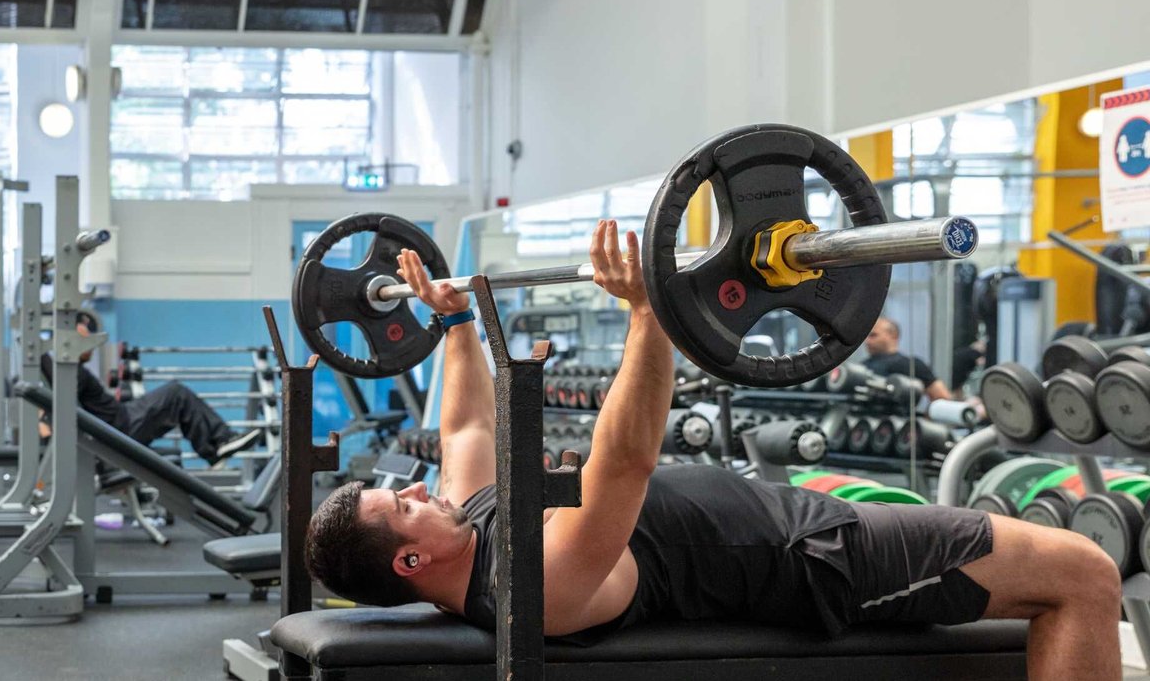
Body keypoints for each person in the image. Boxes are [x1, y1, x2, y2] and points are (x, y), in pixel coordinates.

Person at [305, 219, 1121, 679]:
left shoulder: (472, 526)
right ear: (410, 563)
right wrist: (647, 315)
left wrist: (449, 319)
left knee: (1058, 568)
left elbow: (468, 430)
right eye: (404, 505)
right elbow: (622, 465)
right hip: (814, 558)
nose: (420, 491)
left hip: (800, 515)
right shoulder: (530, 581)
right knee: (1083, 572)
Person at [40, 313, 255, 466]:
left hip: (120, 418)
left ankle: (218, 444)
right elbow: (62, 405)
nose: (91, 344)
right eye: (84, 338)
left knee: (176, 393)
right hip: (121, 427)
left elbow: (58, 402)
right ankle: (219, 442)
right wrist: (45, 424)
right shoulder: (71, 371)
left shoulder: (68, 370)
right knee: (176, 393)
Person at [863, 317, 951, 401]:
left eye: (873, 335)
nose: (867, 341)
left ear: (893, 336)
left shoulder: (911, 365)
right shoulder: (863, 366)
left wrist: (926, 416)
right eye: (866, 336)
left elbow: (942, 397)